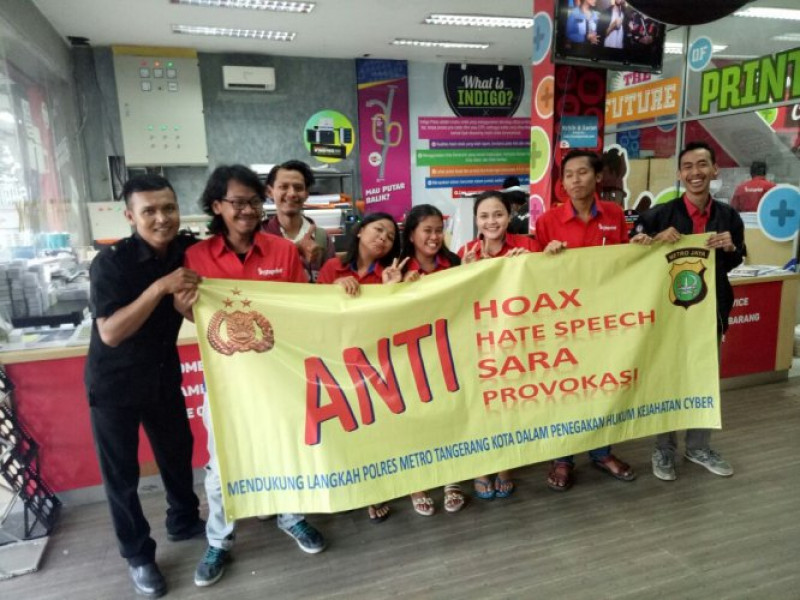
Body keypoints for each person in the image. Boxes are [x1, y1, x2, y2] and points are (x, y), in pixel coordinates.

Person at [181, 165, 326, 588]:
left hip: (278, 373)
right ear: (217, 206)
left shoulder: (282, 252)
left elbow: (299, 308)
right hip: (225, 379)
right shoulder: (197, 257)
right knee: (220, 465)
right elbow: (192, 312)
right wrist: (186, 306)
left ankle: (291, 516)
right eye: (237, 203)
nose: (247, 210)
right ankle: (219, 540)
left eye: (253, 202)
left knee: (286, 447)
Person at [85, 174, 204, 598]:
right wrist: (159, 288)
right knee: (122, 475)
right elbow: (111, 333)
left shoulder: (188, 252)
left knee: (177, 454)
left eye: (168, 208)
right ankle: (138, 556)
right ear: (130, 216)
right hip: (114, 384)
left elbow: (199, 312)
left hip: (162, 374)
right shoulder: (111, 263)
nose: (161, 218)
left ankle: (184, 520)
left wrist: (185, 307)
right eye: (149, 211)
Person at [536, 149, 652, 492]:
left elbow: (623, 261)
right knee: (566, 389)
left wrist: (639, 247)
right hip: (563, 320)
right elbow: (531, 274)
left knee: (601, 385)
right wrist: (545, 257)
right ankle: (563, 458)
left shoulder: (614, 214)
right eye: (569, 175)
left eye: (583, 172)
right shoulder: (547, 222)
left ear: (598, 176)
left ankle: (602, 452)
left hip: (603, 319)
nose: (575, 180)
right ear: (562, 183)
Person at [634, 141, 745, 481]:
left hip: (710, 314)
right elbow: (632, 254)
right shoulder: (659, 215)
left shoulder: (728, 216)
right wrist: (652, 241)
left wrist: (730, 247)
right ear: (680, 174)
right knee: (667, 381)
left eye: (702, 165)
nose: (695, 172)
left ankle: (698, 447)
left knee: (703, 380)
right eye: (688, 166)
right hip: (668, 315)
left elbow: (736, 259)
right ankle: (664, 449)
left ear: (714, 170)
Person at [317, 211, 405, 521]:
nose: (383, 238)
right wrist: (333, 288)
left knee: (374, 427)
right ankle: (349, 486)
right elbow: (315, 311)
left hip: (376, 361)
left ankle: (374, 490)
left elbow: (395, 319)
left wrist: (390, 289)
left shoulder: (390, 273)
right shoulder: (332, 267)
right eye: (378, 230)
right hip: (337, 360)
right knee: (344, 426)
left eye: (390, 237)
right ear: (359, 231)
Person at [458, 191, 539, 500]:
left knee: (510, 403)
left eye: (498, 214)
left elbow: (545, 286)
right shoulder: (466, 251)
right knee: (481, 405)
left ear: (509, 216)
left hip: (516, 339)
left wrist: (528, 265)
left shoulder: (527, 246)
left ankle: (506, 466)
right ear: (476, 220)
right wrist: (464, 272)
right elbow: (457, 301)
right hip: (479, 342)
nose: (491, 221)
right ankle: (481, 467)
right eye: (484, 216)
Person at [397, 204, 465, 516]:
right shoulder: (396, 268)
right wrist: (398, 289)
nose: (435, 237)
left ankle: (452, 479)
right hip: (409, 355)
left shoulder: (454, 263)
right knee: (415, 419)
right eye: (427, 230)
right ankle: (418, 484)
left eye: (439, 230)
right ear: (411, 234)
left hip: (448, 351)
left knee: (448, 414)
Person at [262, 159, 336, 281]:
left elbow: (331, 281)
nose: (292, 193)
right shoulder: (259, 236)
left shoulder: (322, 239)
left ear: (306, 193)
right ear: (270, 192)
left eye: (298, 188)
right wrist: (295, 249)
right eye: (283, 187)